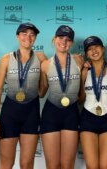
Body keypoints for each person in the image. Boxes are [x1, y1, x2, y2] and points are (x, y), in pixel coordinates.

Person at [0, 22, 46, 169]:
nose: (28, 37)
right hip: (10, 115)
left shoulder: (41, 58)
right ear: (17, 36)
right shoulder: (6, 59)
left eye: (32, 34)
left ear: (35, 38)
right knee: (6, 164)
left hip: (31, 114)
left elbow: (41, 92)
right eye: (24, 33)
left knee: (27, 164)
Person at [40, 25, 83, 169]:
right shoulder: (45, 65)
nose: (64, 42)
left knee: (67, 165)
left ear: (72, 43)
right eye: (60, 38)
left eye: (68, 39)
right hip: (50, 114)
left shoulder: (79, 60)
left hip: (71, 114)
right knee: (52, 165)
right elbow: (41, 92)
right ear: (54, 39)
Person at [79, 36, 107, 169]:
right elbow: (80, 98)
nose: (94, 51)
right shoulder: (84, 71)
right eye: (89, 49)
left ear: (103, 49)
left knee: (106, 166)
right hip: (88, 118)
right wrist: (83, 72)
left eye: (96, 47)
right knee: (92, 166)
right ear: (86, 54)